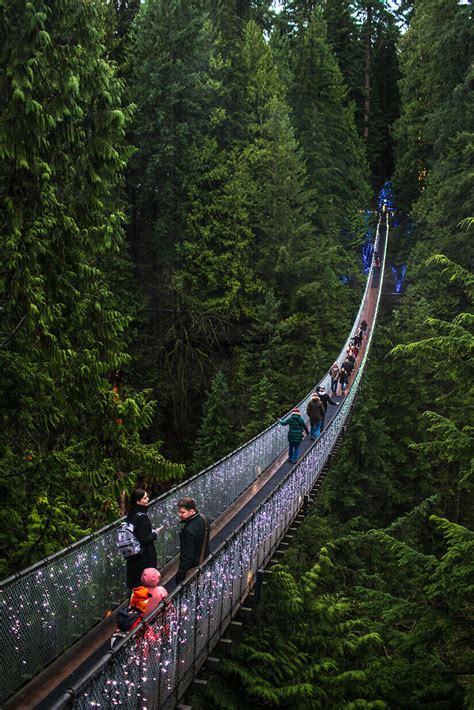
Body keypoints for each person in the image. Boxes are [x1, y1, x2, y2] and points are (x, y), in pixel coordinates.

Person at [125, 489, 161, 590]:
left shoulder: (130, 515)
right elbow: (144, 540)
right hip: (143, 558)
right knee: (145, 586)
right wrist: (154, 534)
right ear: (138, 501)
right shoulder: (142, 517)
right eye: (145, 498)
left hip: (132, 557)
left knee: (135, 588)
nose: (148, 499)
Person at [175, 498, 210, 585]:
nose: (179, 515)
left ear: (191, 511)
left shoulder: (188, 530)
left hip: (194, 567)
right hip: (206, 560)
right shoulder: (204, 519)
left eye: (182, 512)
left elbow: (187, 556)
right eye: (179, 512)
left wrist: (180, 574)